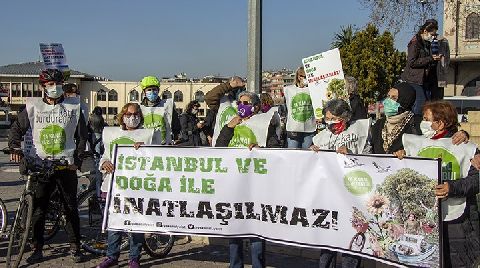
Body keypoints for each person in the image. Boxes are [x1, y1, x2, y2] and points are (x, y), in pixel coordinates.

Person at [8, 69, 87, 263]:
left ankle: (75, 247)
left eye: (58, 84)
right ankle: (37, 248)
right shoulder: (33, 107)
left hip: (65, 166)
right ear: (43, 87)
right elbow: (17, 129)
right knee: (38, 210)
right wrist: (14, 148)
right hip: (40, 167)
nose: (55, 87)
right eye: (50, 84)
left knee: (70, 208)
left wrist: (76, 162)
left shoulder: (74, 107)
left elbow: (82, 137)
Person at [399, 100, 479, 267]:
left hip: (457, 222)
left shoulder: (466, 147)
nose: (423, 123)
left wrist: (452, 187)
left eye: (427, 119)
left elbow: (476, 180)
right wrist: (401, 157)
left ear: (440, 123)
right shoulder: (418, 143)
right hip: (425, 219)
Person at [215, 91, 280, 268]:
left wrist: (261, 149)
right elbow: (219, 147)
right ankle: (235, 264)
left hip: (255, 185)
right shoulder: (232, 123)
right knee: (235, 228)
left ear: (256, 107)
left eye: (246, 102)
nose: (241, 106)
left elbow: (276, 149)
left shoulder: (265, 124)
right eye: (240, 102)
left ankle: (258, 264)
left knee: (255, 229)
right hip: (234, 183)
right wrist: (229, 128)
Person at [309, 99, 368, 268]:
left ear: (345, 117)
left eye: (333, 118)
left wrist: (352, 154)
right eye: (327, 118)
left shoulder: (359, 131)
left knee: (350, 238)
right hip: (329, 194)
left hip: (352, 194)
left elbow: (370, 157)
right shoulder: (321, 137)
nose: (330, 122)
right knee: (328, 240)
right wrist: (312, 152)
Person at [96, 103, 149, 268]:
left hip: (136, 187)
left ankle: (134, 258)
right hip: (114, 186)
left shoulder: (147, 135)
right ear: (122, 116)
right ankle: (112, 256)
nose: (132, 118)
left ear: (140, 116)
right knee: (115, 224)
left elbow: (156, 157)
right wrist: (104, 162)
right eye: (128, 114)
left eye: (135, 115)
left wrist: (145, 148)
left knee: (136, 225)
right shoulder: (112, 134)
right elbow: (105, 155)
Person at [401, 19, 441, 117]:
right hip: (413, 79)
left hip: (424, 80)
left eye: (435, 35)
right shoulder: (415, 43)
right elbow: (412, 62)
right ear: (425, 31)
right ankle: (415, 121)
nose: (433, 37)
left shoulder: (427, 43)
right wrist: (430, 58)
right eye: (432, 34)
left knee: (428, 103)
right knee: (420, 101)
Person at [371, 82, 419, 155]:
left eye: (393, 98)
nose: (387, 101)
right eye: (388, 96)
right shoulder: (378, 125)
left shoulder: (416, 124)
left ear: (404, 100)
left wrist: (407, 152)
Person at [139, 76, 181, 144]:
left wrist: (177, 137)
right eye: (149, 90)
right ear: (144, 92)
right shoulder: (139, 107)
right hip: (145, 145)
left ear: (158, 90)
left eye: (154, 89)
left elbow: (176, 124)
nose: (152, 92)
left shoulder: (168, 105)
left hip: (163, 146)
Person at [283, 67, 316, 149]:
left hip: (309, 127)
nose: (303, 78)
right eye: (302, 76)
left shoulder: (313, 89)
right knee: (293, 153)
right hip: (294, 128)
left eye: (306, 77)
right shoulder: (289, 89)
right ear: (298, 76)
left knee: (307, 153)